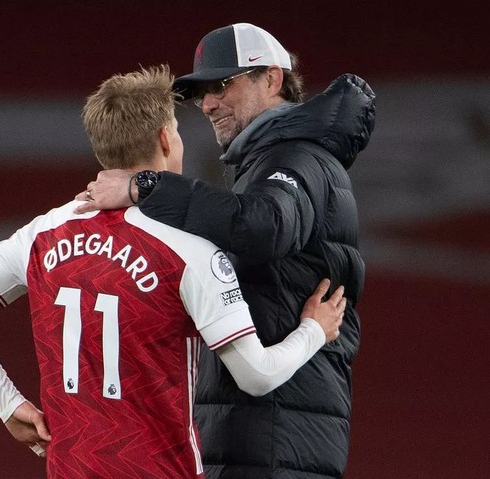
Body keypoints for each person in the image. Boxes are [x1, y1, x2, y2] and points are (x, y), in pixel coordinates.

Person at [0, 65, 347, 479]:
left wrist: (7, 403)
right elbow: (256, 375)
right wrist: (314, 330)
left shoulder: (43, 234)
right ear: (167, 139)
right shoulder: (190, 250)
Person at [73, 24, 376, 478]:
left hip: (281, 432)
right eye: (200, 94)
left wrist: (145, 186)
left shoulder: (298, 157)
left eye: (221, 85)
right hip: (259, 426)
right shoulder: (267, 162)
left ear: (272, 78)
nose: (208, 104)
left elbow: (262, 225)